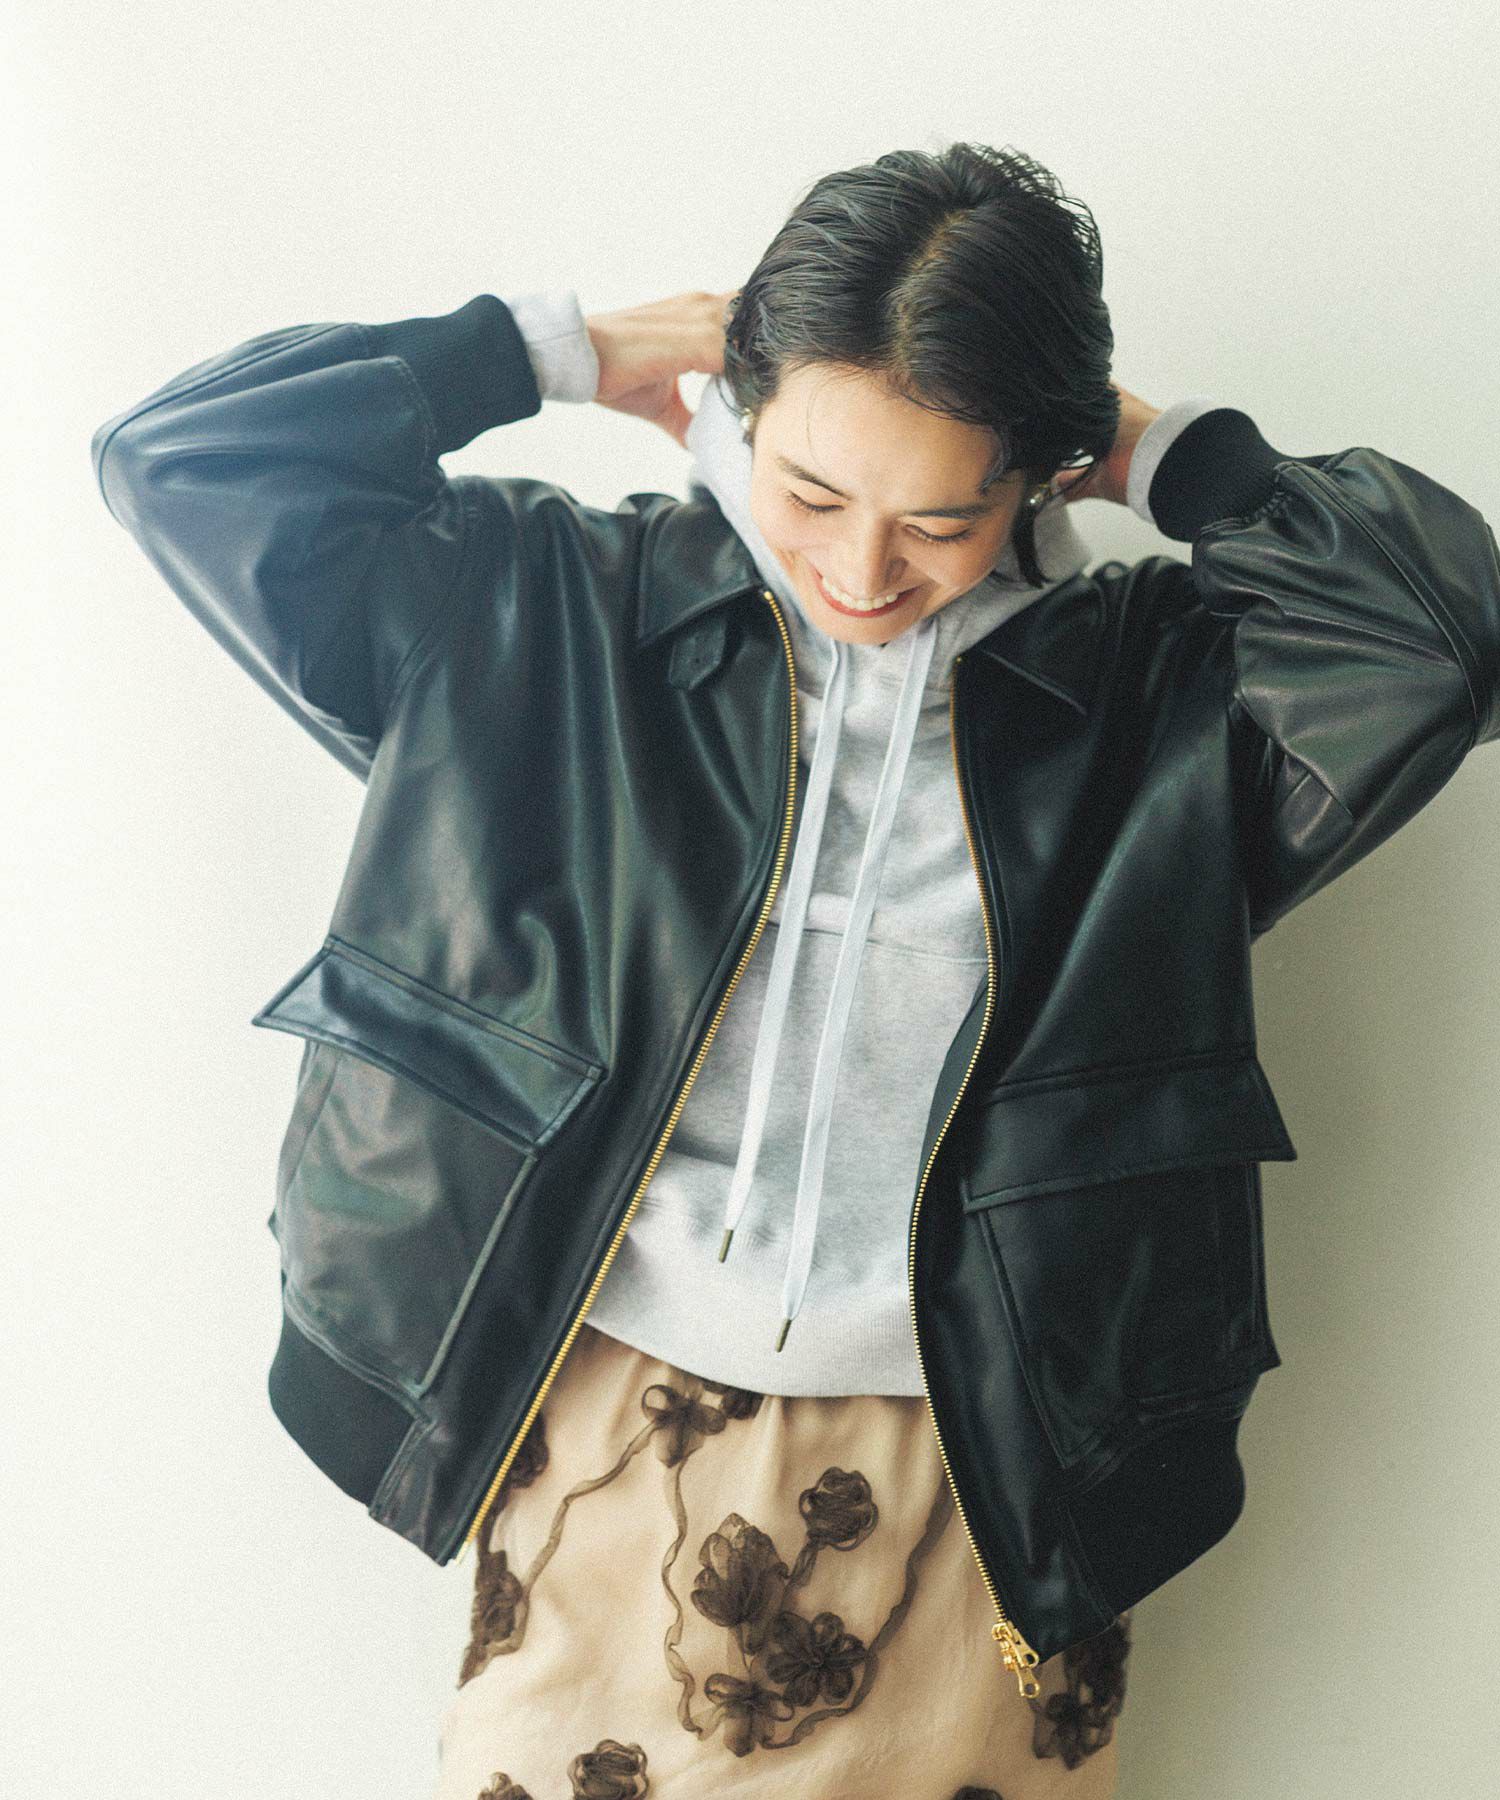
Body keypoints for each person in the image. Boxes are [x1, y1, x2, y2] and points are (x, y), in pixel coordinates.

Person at [89, 144, 1500, 1798]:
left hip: (999, 1456)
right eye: (813, 494)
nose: (863, 572)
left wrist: (1145, 445)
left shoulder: (1158, 704)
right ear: (741, 417)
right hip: (596, 1416)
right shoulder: (542, 616)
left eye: (940, 520)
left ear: (1032, 484)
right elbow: (187, 461)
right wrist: (555, 348)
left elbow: (1438, 640)